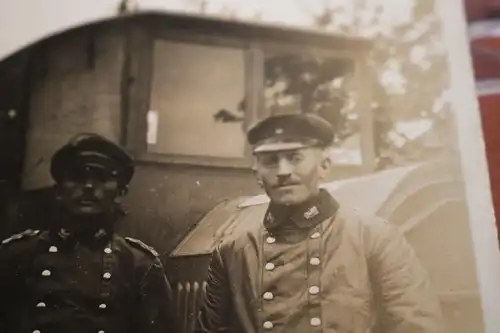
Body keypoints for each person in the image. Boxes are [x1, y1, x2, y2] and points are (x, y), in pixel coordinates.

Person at [198, 113, 445, 333]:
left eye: (295, 158)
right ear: (258, 174)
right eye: (271, 161)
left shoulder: (374, 237)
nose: (283, 171)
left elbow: (416, 326)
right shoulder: (233, 252)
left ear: (324, 165)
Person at [0, 133, 178, 333]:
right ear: (58, 191)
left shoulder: (139, 265)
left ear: (120, 193)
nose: (88, 187)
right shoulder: (16, 255)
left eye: (101, 179)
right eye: (77, 177)